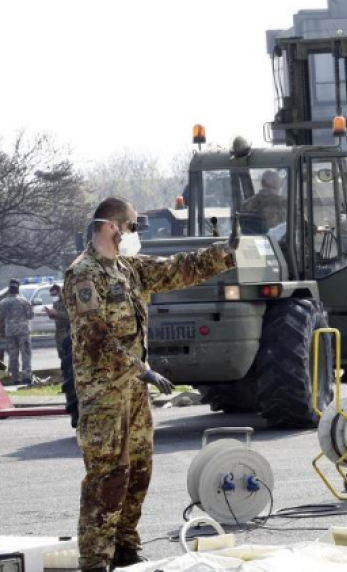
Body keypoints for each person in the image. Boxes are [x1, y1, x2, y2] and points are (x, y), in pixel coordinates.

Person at [64, 196, 237, 572]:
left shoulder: (128, 267)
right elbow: (93, 335)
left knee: (139, 472)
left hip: (134, 393)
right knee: (107, 478)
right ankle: (96, 561)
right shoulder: (84, 274)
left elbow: (176, 269)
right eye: (132, 226)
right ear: (112, 228)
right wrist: (138, 368)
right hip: (105, 396)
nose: (136, 233)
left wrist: (222, 253)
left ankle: (126, 548)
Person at [0, 279, 34, 385]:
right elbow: (30, 315)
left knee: (13, 356)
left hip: (10, 332)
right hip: (23, 332)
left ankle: (15, 378)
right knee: (26, 354)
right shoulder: (23, 301)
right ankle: (26, 377)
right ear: (18, 288)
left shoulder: (3, 303)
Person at [45, 283, 71, 362]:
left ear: (59, 292)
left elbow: (69, 316)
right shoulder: (56, 302)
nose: (53, 297)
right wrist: (51, 314)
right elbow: (56, 314)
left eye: (54, 294)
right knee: (61, 354)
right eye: (52, 295)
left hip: (66, 331)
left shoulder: (66, 301)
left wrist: (57, 313)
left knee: (67, 354)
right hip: (59, 331)